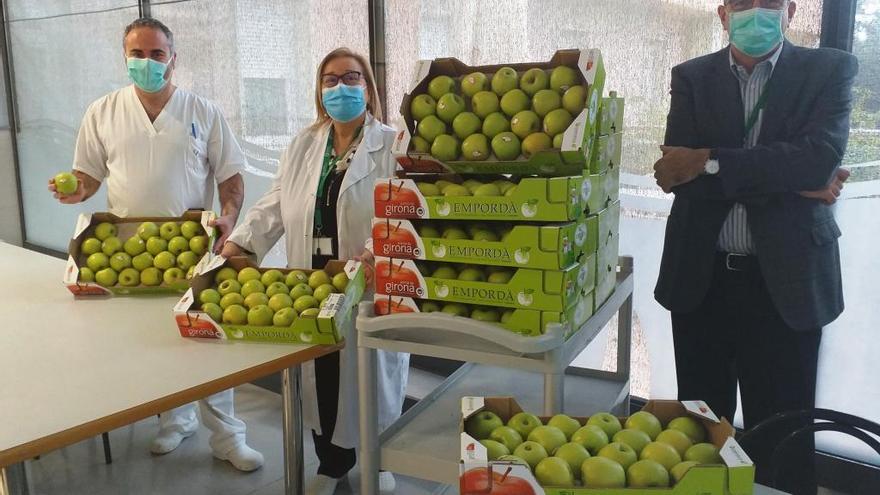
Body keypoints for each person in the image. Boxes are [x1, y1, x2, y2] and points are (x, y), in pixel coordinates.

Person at [653, 0, 857, 492]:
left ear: (790, 10)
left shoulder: (829, 69)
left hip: (785, 284)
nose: (756, 12)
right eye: (743, 3)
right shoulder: (692, 76)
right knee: (701, 429)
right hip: (703, 278)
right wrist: (788, 178)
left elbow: (817, 160)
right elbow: (675, 174)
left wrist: (712, 162)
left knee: (784, 432)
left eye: (770, 2)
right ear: (723, 13)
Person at [48, 17, 263, 472]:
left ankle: (227, 437)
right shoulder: (102, 112)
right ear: (125, 58)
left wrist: (228, 218)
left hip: (193, 245)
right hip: (126, 253)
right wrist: (76, 191)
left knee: (207, 338)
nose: (147, 63)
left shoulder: (202, 111)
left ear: (173, 59)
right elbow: (88, 176)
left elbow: (232, 178)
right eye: (137, 54)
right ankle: (174, 420)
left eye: (157, 54)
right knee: (150, 341)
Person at [221, 47, 407, 494]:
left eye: (351, 78)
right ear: (318, 90)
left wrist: (370, 256)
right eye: (330, 80)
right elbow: (276, 201)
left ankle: (378, 458)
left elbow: (400, 211)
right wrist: (242, 241)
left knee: (370, 376)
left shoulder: (392, 144)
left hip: (367, 283)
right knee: (323, 377)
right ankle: (331, 463)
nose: (340, 87)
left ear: (368, 87)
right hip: (312, 281)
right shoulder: (305, 143)